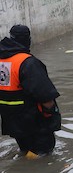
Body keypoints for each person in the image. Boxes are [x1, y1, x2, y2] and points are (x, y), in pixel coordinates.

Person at [0, 25, 61, 159]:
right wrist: (51, 116)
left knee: (25, 150)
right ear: (28, 40)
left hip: (12, 122)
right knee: (43, 156)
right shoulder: (27, 62)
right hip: (34, 122)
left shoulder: (2, 60)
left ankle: (24, 168)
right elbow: (45, 95)